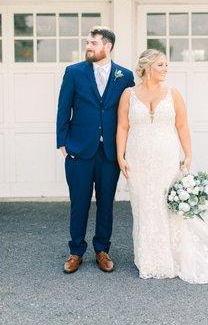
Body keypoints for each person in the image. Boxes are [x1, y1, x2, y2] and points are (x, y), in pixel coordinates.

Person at [116, 48, 208, 283]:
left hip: (166, 158)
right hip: (138, 159)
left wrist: (188, 155)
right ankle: (150, 260)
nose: (165, 69)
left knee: (167, 208)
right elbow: (123, 126)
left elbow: (182, 126)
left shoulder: (173, 94)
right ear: (147, 68)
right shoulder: (129, 94)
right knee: (144, 207)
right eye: (161, 65)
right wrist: (120, 156)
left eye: (166, 65)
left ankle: (174, 258)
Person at [56, 26, 135, 274]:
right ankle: (76, 251)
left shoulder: (126, 75)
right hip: (79, 150)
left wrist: (125, 149)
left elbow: (128, 115)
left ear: (107, 46)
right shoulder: (74, 72)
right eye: (87, 43)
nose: (88, 47)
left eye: (93, 43)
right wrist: (62, 143)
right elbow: (63, 108)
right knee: (78, 203)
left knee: (106, 204)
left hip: (109, 152)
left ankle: (102, 250)